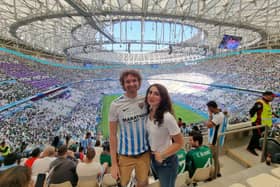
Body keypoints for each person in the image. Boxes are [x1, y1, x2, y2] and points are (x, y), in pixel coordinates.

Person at [109, 70, 150, 187]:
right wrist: (114, 164)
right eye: (128, 82)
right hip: (125, 156)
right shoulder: (115, 105)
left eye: (134, 80)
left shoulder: (145, 100)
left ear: (139, 82)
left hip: (144, 154)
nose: (131, 84)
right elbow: (112, 135)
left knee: (143, 183)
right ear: (123, 84)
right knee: (123, 184)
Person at [145, 83, 184, 187]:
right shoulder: (148, 112)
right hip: (154, 159)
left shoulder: (167, 117)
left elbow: (180, 143)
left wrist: (162, 155)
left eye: (156, 94)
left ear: (162, 98)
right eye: (150, 92)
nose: (151, 95)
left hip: (166, 161)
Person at [247, 91, 276, 156]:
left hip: (264, 124)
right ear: (266, 96)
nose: (273, 98)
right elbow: (252, 111)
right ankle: (250, 148)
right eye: (272, 96)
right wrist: (255, 120)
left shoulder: (267, 103)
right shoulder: (260, 103)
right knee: (256, 136)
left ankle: (256, 145)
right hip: (258, 123)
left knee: (259, 136)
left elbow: (267, 112)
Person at [205, 101, 227, 178]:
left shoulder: (218, 116)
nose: (208, 110)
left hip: (214, 142)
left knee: (208, 159)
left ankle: (211, 175)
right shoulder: (220, 114)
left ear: (211, 108)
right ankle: (218, 172)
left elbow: (208, 125)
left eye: (208, 108)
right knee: (215, 158)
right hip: (218, 141)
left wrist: (209, 117)